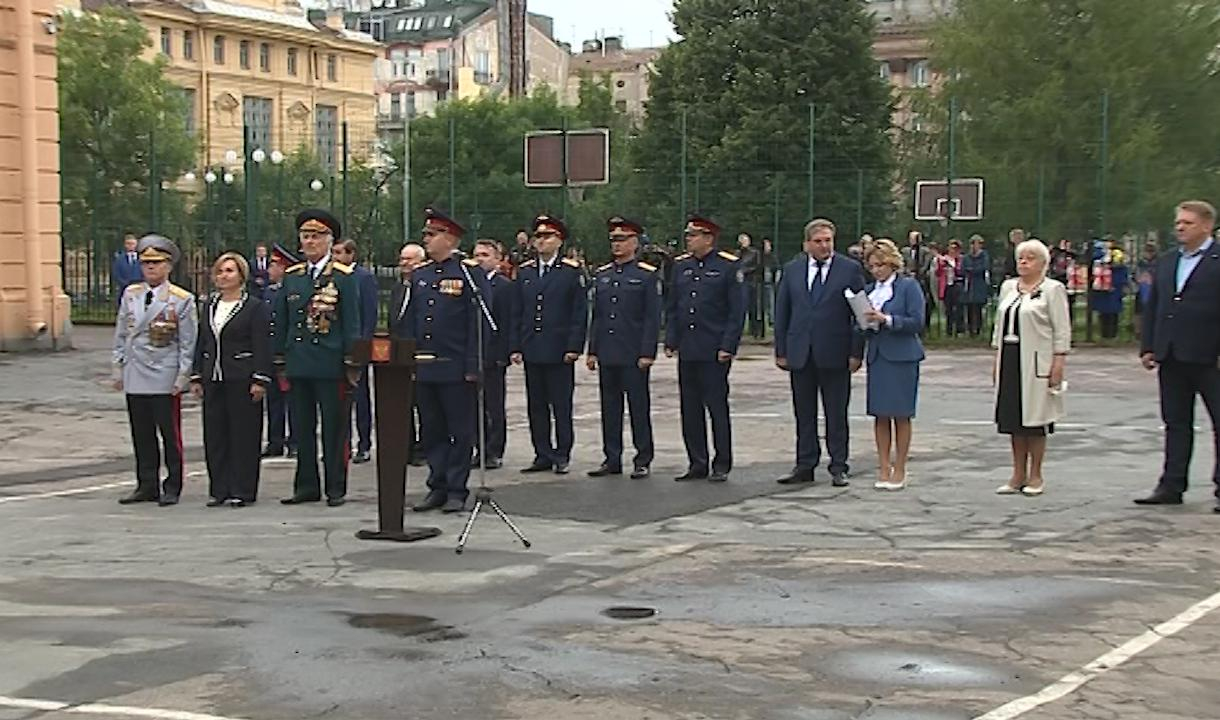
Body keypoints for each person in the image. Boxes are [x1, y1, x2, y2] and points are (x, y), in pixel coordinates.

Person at [1135, 200, 1220, 510]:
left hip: (1210, 357)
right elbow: (1155, 306)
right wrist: (1149, 346)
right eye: (1178, 223)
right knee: (1175, 423)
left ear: (1207, 226)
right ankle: (1171, 485)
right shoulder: (1169, 260)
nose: (1181, 227)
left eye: (1188, 222)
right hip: (1171, 355)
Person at [402, 209, 488, 513]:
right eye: (426, 234)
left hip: (455, 366)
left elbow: (477, 323)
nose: (426, 239)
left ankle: (456, 488)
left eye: (432, 234)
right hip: (426, 366)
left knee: (460, 431)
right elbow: (412, 319)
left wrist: (473, 365)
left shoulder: (468, 272)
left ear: (450, 238)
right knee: (432, 430)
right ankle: (436, 486)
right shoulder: (421, 274)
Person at [274, 209, 361, 508]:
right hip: (299, 361)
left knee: (334, 427)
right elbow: (284, 321)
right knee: (302, 426)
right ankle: (306, 485)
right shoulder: (293, 277)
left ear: (329, 240)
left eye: (316, 236)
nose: (310, 242)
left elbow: (351, 321)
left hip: (330, 362)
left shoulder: (343, 277)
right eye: (305, 236)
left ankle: (335, 485)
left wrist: (352, 361)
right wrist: (280, 359)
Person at [773, 218, 866, 487]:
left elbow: (859, 313)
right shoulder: (793, 270)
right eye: (819, 241)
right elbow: (783, 311)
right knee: (804, 412)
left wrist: (856, 352)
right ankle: (805, 464)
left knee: (836, 412)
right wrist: (782, 350)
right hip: (801, 351)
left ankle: (839, 465)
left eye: (828, 240)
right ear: (807, 244)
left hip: (835, 352)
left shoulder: (849, 269)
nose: (824, 245)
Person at [112, 234, 198, 506]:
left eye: (157, 263)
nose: (150, 268)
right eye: (146, 263)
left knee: (169, 433)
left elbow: (188, 341)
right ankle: (146, 484)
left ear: (168, 266)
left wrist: (183, 375)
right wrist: (118, 367)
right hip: (136, 370)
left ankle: (173, 485)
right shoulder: (131, 294)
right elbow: (121, 333)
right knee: (141, 432)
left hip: (164, 372)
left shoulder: (181, 299)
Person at [665, 215, 746, 482]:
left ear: (709, 238)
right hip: (689, 347)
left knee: (716, 406)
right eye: (688, 235)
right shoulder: (681, 266)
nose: (689, 239)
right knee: (690, 408)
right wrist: (672, 339)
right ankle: (696, 461)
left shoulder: (727, 267)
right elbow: (675, 306)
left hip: (714, 348)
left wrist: (728, 346)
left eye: (694, 235)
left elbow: (736, 312)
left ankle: (721, 461)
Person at [189, 252, 272, 507]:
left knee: (243, 435)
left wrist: (260, 378)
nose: (223, 276)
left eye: (229, 271)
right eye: (220, 271)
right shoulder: (210, 305)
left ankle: (242, 488)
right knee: (215, 434)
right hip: (214, 378)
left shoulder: (255, 307)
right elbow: (202, 341)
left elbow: (262, 344)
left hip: (242, 378)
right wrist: (196, 374)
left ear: (241, 276)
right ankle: (219, 488)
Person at [511, 214, 588, 475]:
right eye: (538, 236)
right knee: (536, 404)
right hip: (533, 347)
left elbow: (579, 312)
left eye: (547, 237)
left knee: (561, 405)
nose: (541, 241)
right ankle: (541, 452)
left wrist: (574, 346)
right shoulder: (526, 272)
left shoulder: (570, 272)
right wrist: (517, 345)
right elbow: (519, 311)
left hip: (558, 349)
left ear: (559, 241)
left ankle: (562, 453)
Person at [993, 239, 1071, 496]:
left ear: (1043, 263)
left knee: (1035, 420)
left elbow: (1061, 329)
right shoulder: (1008, 287)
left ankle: (1036, 475)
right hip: (1010, 357)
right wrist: (996, 360)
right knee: (1013, 418)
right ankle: (1017, 474)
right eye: (1020, 257)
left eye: (1030, 257)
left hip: (1037, 359)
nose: (1023, 262)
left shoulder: (1052, 289)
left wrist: (1058, 361)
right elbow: (999, 326)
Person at [586, 216, 662, 480]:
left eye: (622, 240)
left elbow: (652, 318)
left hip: (632, 352)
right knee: (610, 408)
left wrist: (647, 352)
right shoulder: (603, 275)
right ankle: (612, 457)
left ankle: (643, 457)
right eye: (613, 240)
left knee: (638, 408)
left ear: (635, 242)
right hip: (608, 351)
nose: (617, 245)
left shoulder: (645, 275)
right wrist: (593, 350)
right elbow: (598, 315)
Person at [860, 240, 925, 490]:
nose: (876, 270)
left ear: (892, 263)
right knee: (880, 414)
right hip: (878, 356)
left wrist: (886, 319)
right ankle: (883, 466)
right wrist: (864, 323)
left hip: (902, 357)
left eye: (880, 265)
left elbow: (917, 321)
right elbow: (859, 327)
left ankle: (900, 468)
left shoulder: (908, 287)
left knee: (901, 415)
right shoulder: (869, 291)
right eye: (872, 266)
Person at [332, 239, 378, 464]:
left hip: (357, 347)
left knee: (360, 397)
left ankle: (364, 443)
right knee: (338, 400)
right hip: (335, 348)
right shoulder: (332, 276)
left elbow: (369, 314)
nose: (335, 257)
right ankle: (343, 444)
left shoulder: (364, 278)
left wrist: (363, 345)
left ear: (351, 255)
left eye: (339, 253)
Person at [471, 239, 516, 470]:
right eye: (476, 254)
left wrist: (504, 353)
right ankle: (478, 448)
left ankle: (494, 450)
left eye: (485, 255)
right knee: (474, 405)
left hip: (494, 354)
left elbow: (507, 322)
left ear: (498, 260)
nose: (479, 259)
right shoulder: (470, 284)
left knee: (493, 404)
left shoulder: (505, 286)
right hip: (473, 354)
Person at [389, 242, 427, 466]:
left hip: (421, 354)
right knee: (403, 404)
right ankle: (407, 447)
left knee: (424, 405)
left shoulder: (425, 288)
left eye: (410, 259)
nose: (405, 264)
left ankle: (425, 447)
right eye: (402, 259)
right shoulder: (398, 289)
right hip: (399, 356)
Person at [261, 244, 297, 458]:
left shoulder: (291, 291)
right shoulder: (268, 291)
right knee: (273, 399)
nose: (269, 270)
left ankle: (295, 441)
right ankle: (275, 440)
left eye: (274, 265)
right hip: (271, 353)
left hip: (288, 354)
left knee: (293, 400)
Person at [961, 235, 991, 338]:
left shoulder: (984, 256)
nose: (974, 246)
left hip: (979, 284)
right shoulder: (966, 257)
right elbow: (963, 269)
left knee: (978, 308)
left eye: (977, 243)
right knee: (969, 308)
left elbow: (983, 268)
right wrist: (970, 270)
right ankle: (969, 330)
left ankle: (978, 329)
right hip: (969, 284)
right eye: (972, 243)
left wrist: (972, 270)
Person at [737, 233, 763, 339]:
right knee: (741, 306)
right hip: (741, 282)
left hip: (752, 281)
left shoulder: (754, 253)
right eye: (742, 240)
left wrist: (744, 271)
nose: (744, 242)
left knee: (754, 307)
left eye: (745, 240)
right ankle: (740, 330)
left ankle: (755, 331)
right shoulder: (738, 253)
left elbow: (757, 266)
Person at [111, 234, 143, 305]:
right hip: (124, 288)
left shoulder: (142, 258)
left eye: (132, 243)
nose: (130, 246)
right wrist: (125, 284)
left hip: (140, 288)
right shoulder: (119, 259)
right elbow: (116, 273)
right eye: (128, 244)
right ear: (125, 245)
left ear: (136, 244)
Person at [761, 237, 780, 329]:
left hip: (770, 284)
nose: (767, 247)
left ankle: (772, 321)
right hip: (759, 283)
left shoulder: (773, 257)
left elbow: (777, 269)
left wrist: (776, 281)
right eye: (765, 245)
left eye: (768, 245)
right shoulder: (759, 257)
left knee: (771, 303)